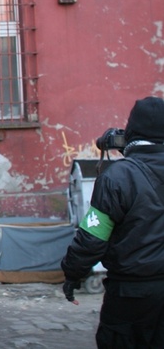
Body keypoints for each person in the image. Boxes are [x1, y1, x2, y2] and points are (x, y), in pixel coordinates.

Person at [61, 96, 164, 348]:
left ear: (131, 131)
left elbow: (92, 238)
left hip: (130, 294)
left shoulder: (118, 175)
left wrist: (73, 274)